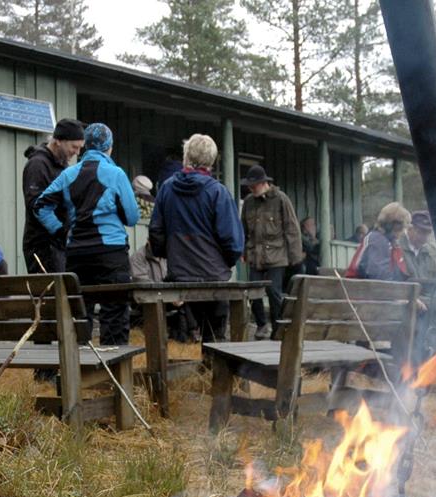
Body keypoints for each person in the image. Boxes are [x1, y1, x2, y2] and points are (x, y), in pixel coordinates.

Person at [36, 122, 139, 345]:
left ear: (86, 146)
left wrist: (61, 231)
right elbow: (132, 217)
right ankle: (113, 371)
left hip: (77, 254)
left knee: (80, 314)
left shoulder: (68, 174)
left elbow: (40, 205)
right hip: (111, 253)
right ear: (109, 147)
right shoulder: (116, 173)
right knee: (115, 313)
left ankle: (80, 371)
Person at [149, 133, 245, 343]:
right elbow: (233, 241)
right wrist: (226, 262)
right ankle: (213, 372)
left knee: (187, 332)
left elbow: (156, 232)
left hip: (180, 276)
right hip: (214, 276)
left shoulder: (166, 189)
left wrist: (170, 254)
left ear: (186, 156)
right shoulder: (218, 192)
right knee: (215, 337)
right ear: (211, 160)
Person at [240, 165, 303, 339]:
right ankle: (261, 325)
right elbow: (243, 229)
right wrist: (243, 251)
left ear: (263, 183)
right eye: (249, 186)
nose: (251, 188)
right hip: (255, 256)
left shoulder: (281, 199)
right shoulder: (248, 202)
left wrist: (295, 258)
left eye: (254, 185)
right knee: (253, 291)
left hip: (276, 255)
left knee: (274, 292)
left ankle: (278, 327)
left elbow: (292, 229)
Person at [22, 118, 84, 274]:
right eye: (74, 147)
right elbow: (35, 206)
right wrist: (61, 232)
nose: (77, 152)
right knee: (50, 295)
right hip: (43, 245)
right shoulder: (37, 165)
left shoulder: (62, 165)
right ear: (58, 141)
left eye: (80, 148)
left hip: (60, 244)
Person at [347, 202, 415, 282]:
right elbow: (379, 276)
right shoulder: (377, 240)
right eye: (403, 227)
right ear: (394, 225)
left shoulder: (391, 243)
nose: (404, 232)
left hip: (375, 290)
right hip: (360, 290)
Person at [405, 210, 436, 280]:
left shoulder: (432, 252)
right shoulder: (397, 250)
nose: (425, 238)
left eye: (428, 233)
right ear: (410, 229)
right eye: (421, 232)